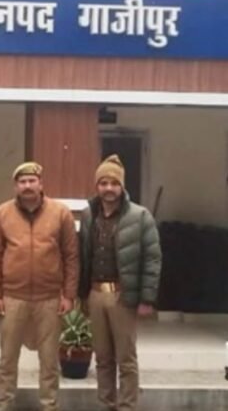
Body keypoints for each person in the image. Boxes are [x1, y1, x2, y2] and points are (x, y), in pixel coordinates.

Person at [0, 162, 79, 411]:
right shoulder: (2, 213)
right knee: (8, 360)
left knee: (49, 361)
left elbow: (71, 256)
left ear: (41, 184)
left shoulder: (60, 213)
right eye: (22, 182)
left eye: (31, 181)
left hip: (49, 299)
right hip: (12, 298)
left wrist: (69, 294)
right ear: (15, 186)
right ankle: (4, 404)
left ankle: (49, 405)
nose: (27, 186)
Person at [78, 155, 162, 411]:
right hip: (95, 294)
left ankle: (127, 406)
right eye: (103, 183)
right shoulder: (89, 214)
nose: (109, 188)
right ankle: (106, 405)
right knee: (103, 359)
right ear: (97, 186)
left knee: (126, 360)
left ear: (122, 186)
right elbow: (83, 255)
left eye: (114, 183)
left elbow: (152, 259)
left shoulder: (141, 216)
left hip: (123, 297)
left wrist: (147, 298)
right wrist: (81, 294)